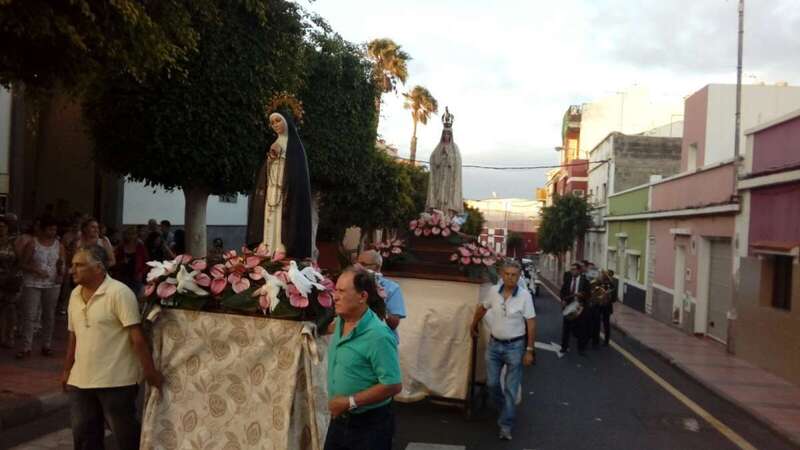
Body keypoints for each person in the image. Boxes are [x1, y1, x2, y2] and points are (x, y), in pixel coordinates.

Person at [62, 244, 163, 450]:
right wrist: (67, 370)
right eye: (72, 265)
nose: (72, 270)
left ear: (98, 267)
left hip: (116, 379)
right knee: (83, 435)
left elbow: (137, 337)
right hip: (80, 379)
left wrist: (149, 372)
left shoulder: (119, 293)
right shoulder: (74, 295)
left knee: (124, 435)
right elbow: (74, 336)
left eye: (79, 265)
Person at [325, 266, 402, 450]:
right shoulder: (339, 323)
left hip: (369, 426)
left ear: (362, 296)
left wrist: (349, 402)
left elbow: (393, 384)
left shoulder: (378, 335)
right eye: (335, 290)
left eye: (342, 291)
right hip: (340, 421)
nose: (335, 296)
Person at [470, 260, 536, 441]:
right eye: (507, 274)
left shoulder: (525, 296)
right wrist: (473, 325)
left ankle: (506, 425)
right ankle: (505, 409)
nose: (510, 277)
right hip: (494, 346)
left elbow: (531, 323)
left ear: (518, 276)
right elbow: (482, 308)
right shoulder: (493, 292)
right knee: (492, 384)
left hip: (515, 346)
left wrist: (529, 350)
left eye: (514, 275)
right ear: (501, 275)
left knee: (511, 389)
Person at [246, 111, 313, 259]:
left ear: (287, 122)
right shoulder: (273, 143)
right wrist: (270, 159)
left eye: (278, 121)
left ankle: (281, 246)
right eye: (273, 122)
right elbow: (264, 170)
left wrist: (282, 156)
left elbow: (296, 171)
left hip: (286, 191)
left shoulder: (295, 146)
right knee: (269, 214)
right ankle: (267, 245)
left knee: (282, 217)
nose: (275, 125)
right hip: (271, 189)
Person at [18, 216, 65, 358]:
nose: (53, 232)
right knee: (30, 314)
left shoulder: (59, 245)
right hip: (33, 282)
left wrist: (60, 274)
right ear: (43, 229)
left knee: (49, 315)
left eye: (55, 229)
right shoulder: (33, 244)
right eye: (50, 229)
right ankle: (27, 347)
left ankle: (47, 345)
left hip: (52, 283)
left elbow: (62, 263)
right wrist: (35, 270)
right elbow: (22, 263)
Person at [357, 250, 407, 342]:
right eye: (357, 264)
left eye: (363, 264)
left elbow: (394, 324)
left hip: (381, 340)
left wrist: (380, 303)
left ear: (377, 267)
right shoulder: (353, 284)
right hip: (356, 339)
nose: (358, 268)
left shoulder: (392, 288)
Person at [425, 107, 464, 215]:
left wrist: (449, 157)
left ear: (451, 136)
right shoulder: (438, 147)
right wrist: (440, 156)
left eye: (448, 134)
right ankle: (436, 215)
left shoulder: (454, 149)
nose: (446, 136)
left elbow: (457, 163)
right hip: (439, 178)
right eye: (445, 134)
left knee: (447, 199)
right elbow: (433, 161)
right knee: (439, 198)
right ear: (442, 135)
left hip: (449, 180)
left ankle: (448, 217)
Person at [560, 262, 591, 355]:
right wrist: (563, 300)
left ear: (578, 270)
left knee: (582, 329)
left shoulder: (585, 280)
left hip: (580, 307)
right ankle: (564, 347)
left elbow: (589, 294)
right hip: (569, 306)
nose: (572, 271)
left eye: (574, 269)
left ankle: (581, 349)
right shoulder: (568, 279)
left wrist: (583, 295)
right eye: (571, 269)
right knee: (566, 328)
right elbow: (562, 292)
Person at [0, 220, 21, 348]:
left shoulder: (14, 242)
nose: (1, 229)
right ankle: (2, 336)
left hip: (11, 278)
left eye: (2, 227)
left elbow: (20, 259)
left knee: (10, 307)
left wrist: (12, 272)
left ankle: (10, 335)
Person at [113, 227, 148, 297]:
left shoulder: (140, 246)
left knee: (136, 297)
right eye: (128, 234)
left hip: (136, 276)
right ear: (125, 235)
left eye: (133, 234)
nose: (131, 236)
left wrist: (141, 273)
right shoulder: (121, 247)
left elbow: (146, 261)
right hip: (123, 276)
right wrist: (122, 261)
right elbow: (115, 262)